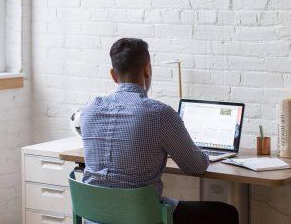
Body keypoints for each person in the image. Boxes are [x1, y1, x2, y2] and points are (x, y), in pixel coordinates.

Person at [80, 38, 239, 224]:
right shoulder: (159, 113)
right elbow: (195, 166)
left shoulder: (89, 109)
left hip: (94, 216)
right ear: (147, 69)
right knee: (226, 213)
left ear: (113, 75)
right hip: (141, 217)